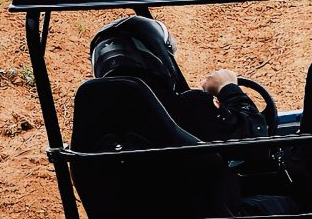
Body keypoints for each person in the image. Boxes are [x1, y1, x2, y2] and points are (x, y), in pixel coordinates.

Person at [88, 14, 265, 138]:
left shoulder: (95, 125)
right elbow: (256, 138)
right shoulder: (188, 108)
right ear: (161, 58)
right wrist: (229, 90)